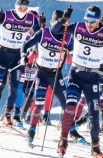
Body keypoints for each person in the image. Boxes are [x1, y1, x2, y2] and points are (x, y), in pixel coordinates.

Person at [51, 5, 103, 158]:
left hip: (92, 77)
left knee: (94, 113)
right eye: (87, 20)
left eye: (93, 21)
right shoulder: (78, 26)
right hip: (76, 74)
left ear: (99, 20)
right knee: (70, 106)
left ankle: (95, 148)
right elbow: (55, 30)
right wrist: (63, 19)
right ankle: (63, 140)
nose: (89, 24)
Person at [0, 0, 40, 128]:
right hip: (3, 54)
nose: (22, 9)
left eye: (25, 7)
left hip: (17, 56)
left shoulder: (31, 18)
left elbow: (39, 32)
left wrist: (42, 25)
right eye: (20, 7)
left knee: (14, 88)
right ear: (15, 5)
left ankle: (8, 116)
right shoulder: (6, 15)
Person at [20, 10, 73, 145]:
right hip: (42, 74)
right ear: (52, 22)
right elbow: (25, 45)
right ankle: (31, 130)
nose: (60, 27)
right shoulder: (43, 32)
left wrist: (70, 56)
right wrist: (23, 56)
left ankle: (69, 131)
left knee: (66, 103)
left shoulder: (68, 36)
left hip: (56, 74)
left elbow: (73, 54)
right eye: (56, 22)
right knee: (39, 102)